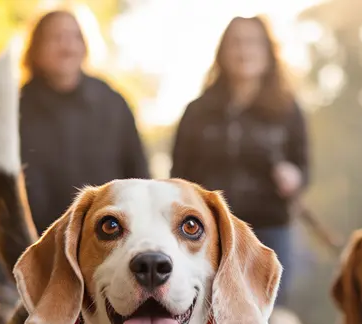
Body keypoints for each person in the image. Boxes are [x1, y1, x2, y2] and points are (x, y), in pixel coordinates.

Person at [170, 15, 309, 303]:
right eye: (236, 42)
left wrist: (294, 176)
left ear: (268, 52)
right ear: (222, 53)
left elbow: (303, 168)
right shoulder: (197, 111)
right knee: (208, 311)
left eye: (252, 42)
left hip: (270, 231)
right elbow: (178, 177)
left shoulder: (287, 109)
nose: (244, 50)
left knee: (266, 315)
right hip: (209, 231)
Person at [19, 9, 150, 235]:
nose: (66, 45)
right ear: (36, 48)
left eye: (74, 36)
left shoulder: (112, 103)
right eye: (56, 37)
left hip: (105, 237)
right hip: (35, 239)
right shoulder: (16, 108)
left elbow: (138, 172)